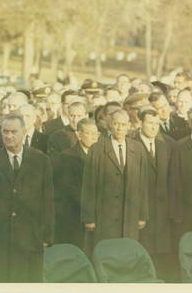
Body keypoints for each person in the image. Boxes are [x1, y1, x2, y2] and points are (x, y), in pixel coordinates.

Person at [0, 114, 54, 282]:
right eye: (5, 132)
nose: (9, 136)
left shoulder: (41, 160)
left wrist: (46, 235)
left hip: (30, 238)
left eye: (13, 132)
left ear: (24, 132)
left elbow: (48, 200)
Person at [81, 109, 149, 248]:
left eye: (123, 124)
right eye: (116, 124)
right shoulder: (97, 149)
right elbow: (89, 185)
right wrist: (89, 218)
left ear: (129, 126)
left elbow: (143, 184)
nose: (119, 128)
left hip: (130, 215)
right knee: (108, 252)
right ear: (110, 125)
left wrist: (142, 214)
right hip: (105, 216)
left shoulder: (138, 149)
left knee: (128, 251)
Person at [130, 109, 174, 280]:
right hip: (140, 209)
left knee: (161, 254)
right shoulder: (131, 144)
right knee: (143, 251)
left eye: (157, 124)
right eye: (150, 123)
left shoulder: (166, 146)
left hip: (162, 211)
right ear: (140, 123)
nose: (154, 127)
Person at [54, 119, 99, 251]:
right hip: (76, 215)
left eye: (96, 134)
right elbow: (69, 189)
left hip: (100, 214)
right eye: (89, 133)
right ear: (79, 135)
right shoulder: (67, 157)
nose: (94, 137)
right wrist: (90, 210)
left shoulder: (102, 155)